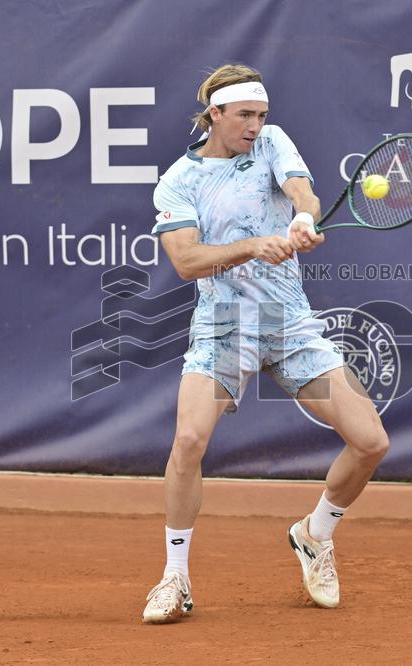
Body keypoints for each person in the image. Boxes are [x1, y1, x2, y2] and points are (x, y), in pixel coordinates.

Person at [143, 64, 390, 624]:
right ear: (215, 115)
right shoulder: (179, 181)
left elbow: (299, 188)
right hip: (225, 324)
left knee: (371, 440)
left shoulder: (273, 142)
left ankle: (315, 534)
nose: (255, 126)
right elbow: (185, 262)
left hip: (288, 322)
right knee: (188, 441)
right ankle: (174, 578)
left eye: (261, 115)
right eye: (244, 116)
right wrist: (255, 245)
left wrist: (303, 216)